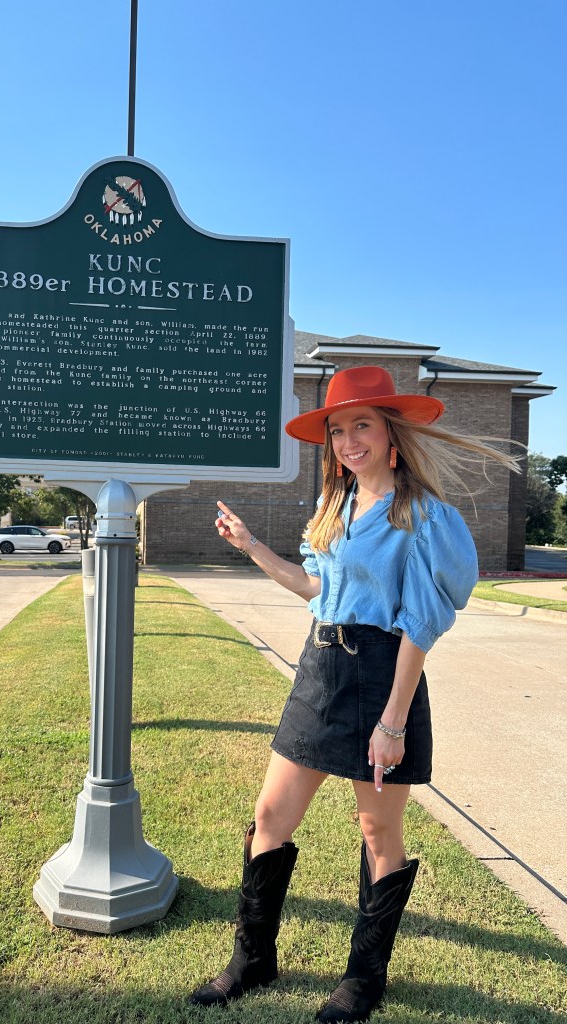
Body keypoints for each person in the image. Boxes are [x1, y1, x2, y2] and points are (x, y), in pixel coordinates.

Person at [188, 365, 521, 1023]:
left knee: (376, 828)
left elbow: (422, 623)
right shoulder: (333, 507)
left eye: (360, 425)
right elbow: (316, 590)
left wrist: (394, 719)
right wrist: (252, 546)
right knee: (270, 817)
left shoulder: (424, 515)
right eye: (338, 429)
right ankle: (253, 960)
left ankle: (364, 979)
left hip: (382, 675)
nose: (347, 440)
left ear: (390, 432)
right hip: (320, 671)